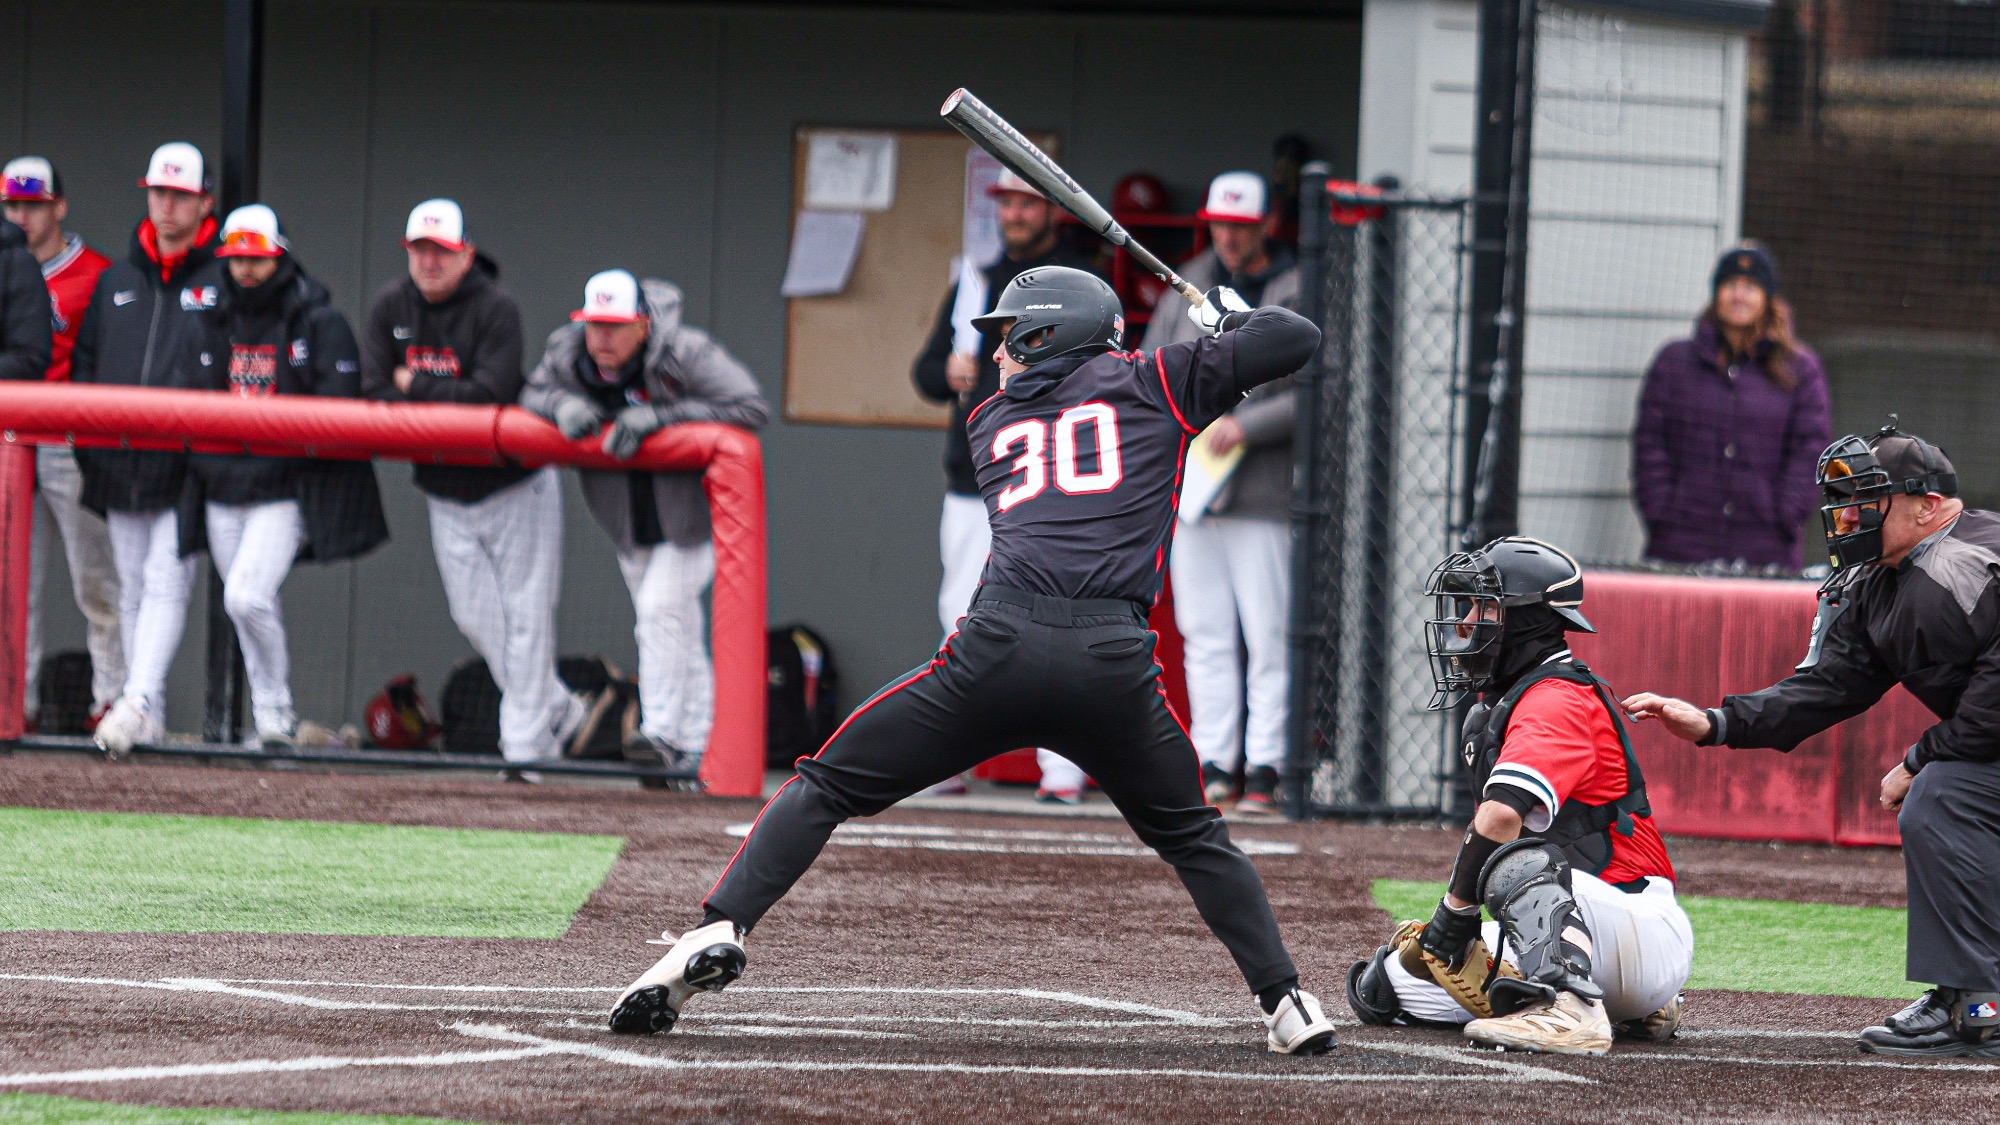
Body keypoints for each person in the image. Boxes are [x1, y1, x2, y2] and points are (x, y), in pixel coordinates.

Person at [607, 268, 1339, 1057]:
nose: (995, 355)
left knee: (824, 783)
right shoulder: (1158, 378)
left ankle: (719, 923)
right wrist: (1227, 322)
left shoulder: (989, 421)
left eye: (1008, 335)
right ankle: (1286, 998)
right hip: (1112, 663)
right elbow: (1296, 338)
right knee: (1196, 836)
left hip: (1000, 647)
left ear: (1044, 336)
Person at [1624, 423, 2000, 1058]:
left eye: (1865, 500)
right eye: (1842, 502)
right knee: (1946, 793)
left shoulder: (1970, 561)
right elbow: (1827, 688)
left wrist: (1919, 756)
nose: (1847, 516)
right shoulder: (1881, 575)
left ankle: (1978, 1001)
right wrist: (1717, 723)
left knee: (1941, 796)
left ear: (1927, 505)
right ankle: (1971, 994)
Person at [1345, 537, 1691, 1056]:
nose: (1464, 623)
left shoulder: (1557, 697)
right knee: (1382, 988)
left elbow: (1502, 817)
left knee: (1512, 863)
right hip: (1589, 928)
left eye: (1482, 606)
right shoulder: (1503, 703)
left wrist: (1452, 913)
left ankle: (1575, 1008)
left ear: (1525, 620)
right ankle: (1628, 1008)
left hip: (1634, 922)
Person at [361, 199, 582, 776]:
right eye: (420, 250)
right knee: (475, 617)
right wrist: (429, 391)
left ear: (466, 254)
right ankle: (557, 707)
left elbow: (489, 394)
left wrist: (414, 383)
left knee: (528, 614)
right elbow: (372, 391)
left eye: (442, 251)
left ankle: (526, 751)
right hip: (445, 488)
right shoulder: (391, 305)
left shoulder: (495, 306)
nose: (430, 261)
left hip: (514, 483)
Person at [522, 269, 768, 776]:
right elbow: (531, 393)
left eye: (615, 326)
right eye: (594, 326)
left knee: (659, 612)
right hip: (626, 519)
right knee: (675, 624)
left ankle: (659, 733)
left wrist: (664, 417)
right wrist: (560, 403)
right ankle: (696, 744)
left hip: (692, 514)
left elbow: (750, 406)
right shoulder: (569, 355)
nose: (602, 338)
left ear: (643, 324)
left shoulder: (684, 351)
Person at [173, 204, 387, 748]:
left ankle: (275, 713)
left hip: (283, 490)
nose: (245, 269)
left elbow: (338, 408)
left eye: (258, 258)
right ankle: (274, 719)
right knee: (248, 606)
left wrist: (275, 455)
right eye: (237, 257)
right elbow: (190, 406)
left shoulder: (316, 317)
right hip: (222, 486)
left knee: (244, 597)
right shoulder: (209, 314)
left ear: (280, 257)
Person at [911, 167, 1095, 802]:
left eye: (1027, 203)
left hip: (1049, 478)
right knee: (960, 616)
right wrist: (951, 369)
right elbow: (926, 373)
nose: (1015, 214)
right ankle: (947, 759)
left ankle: (1063, 771)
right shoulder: (977, 281)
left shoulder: (1077, 282)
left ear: (1051, 210)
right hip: (973, 478)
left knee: (1057, 621)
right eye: (1007, 203)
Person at [1142, 172, 1302, 816]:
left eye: (1242, 224)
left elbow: (1321, 393)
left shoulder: (1297, 285)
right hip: (1194, 486)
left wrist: (1245, 424)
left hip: (1262, 490)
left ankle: (1265, 766)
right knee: (1203, 631)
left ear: (1267, 224)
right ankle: (1213, 762)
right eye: (1220, 223)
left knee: (1269, 632)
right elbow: (1151, 368)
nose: (1229, 236)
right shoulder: (1187, 282)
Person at [74, 143, 220, 754]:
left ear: (204, 202)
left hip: (188, 463)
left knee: (165, 580)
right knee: (132, 585)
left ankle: (134, 701)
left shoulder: (220, 277)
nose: (167, 204)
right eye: (159, 191)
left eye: (180, 194)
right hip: (122, 459)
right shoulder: (118, 278)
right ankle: (147, 713)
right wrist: (93, 450)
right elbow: (85, 370)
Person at [2, 154, 120, 728]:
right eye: (14, 205)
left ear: (59, 207)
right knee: (10, 587)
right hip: (11, 442)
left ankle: (111, 701)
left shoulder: (96, 273)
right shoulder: (4, 268)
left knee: (95, 581)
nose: (23, 215)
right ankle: (11, 703)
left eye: (35, 205)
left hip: (70, 443)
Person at [1631, 243, 1831, 570]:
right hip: (1681, 544)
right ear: (1716, 294)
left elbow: (1811, 447)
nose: (1739, 295)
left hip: (1765, 547)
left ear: (1767, 298)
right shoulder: (1674, 362)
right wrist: (1661, 511)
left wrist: (1786, 514)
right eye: (1730, 285)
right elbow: (1650, 443)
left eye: (1750, 286)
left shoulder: (1799, 368)